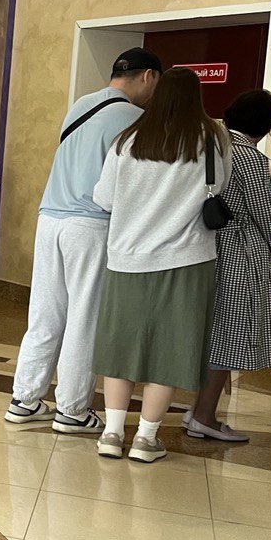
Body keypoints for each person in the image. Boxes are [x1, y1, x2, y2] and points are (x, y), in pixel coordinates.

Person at [5, 47, 160, 433]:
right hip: (90, 224)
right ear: (149, 76)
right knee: (84, 317)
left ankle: (24, 400)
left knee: (45, 312)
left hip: (49, 217)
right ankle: (72, 410)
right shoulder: (136, 119)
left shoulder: (80, 106)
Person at [92, 67, 231, 464]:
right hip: (188, 260)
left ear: (156, 94)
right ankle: (146, 439)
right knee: (171, 350)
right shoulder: (212, 138)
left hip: (127, 260)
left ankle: (112, 433)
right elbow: (218, 187)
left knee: (121, 347)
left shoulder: (128, 139)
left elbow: (105, 198)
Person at [187, 90, 271, 441]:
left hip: (205, 246)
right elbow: (265, 212)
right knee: (230, 334)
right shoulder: (249, 156)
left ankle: (195, 409)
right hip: (239, 253)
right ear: (267, 126)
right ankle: (204, 415)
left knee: (208, 332)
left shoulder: (207, 145)